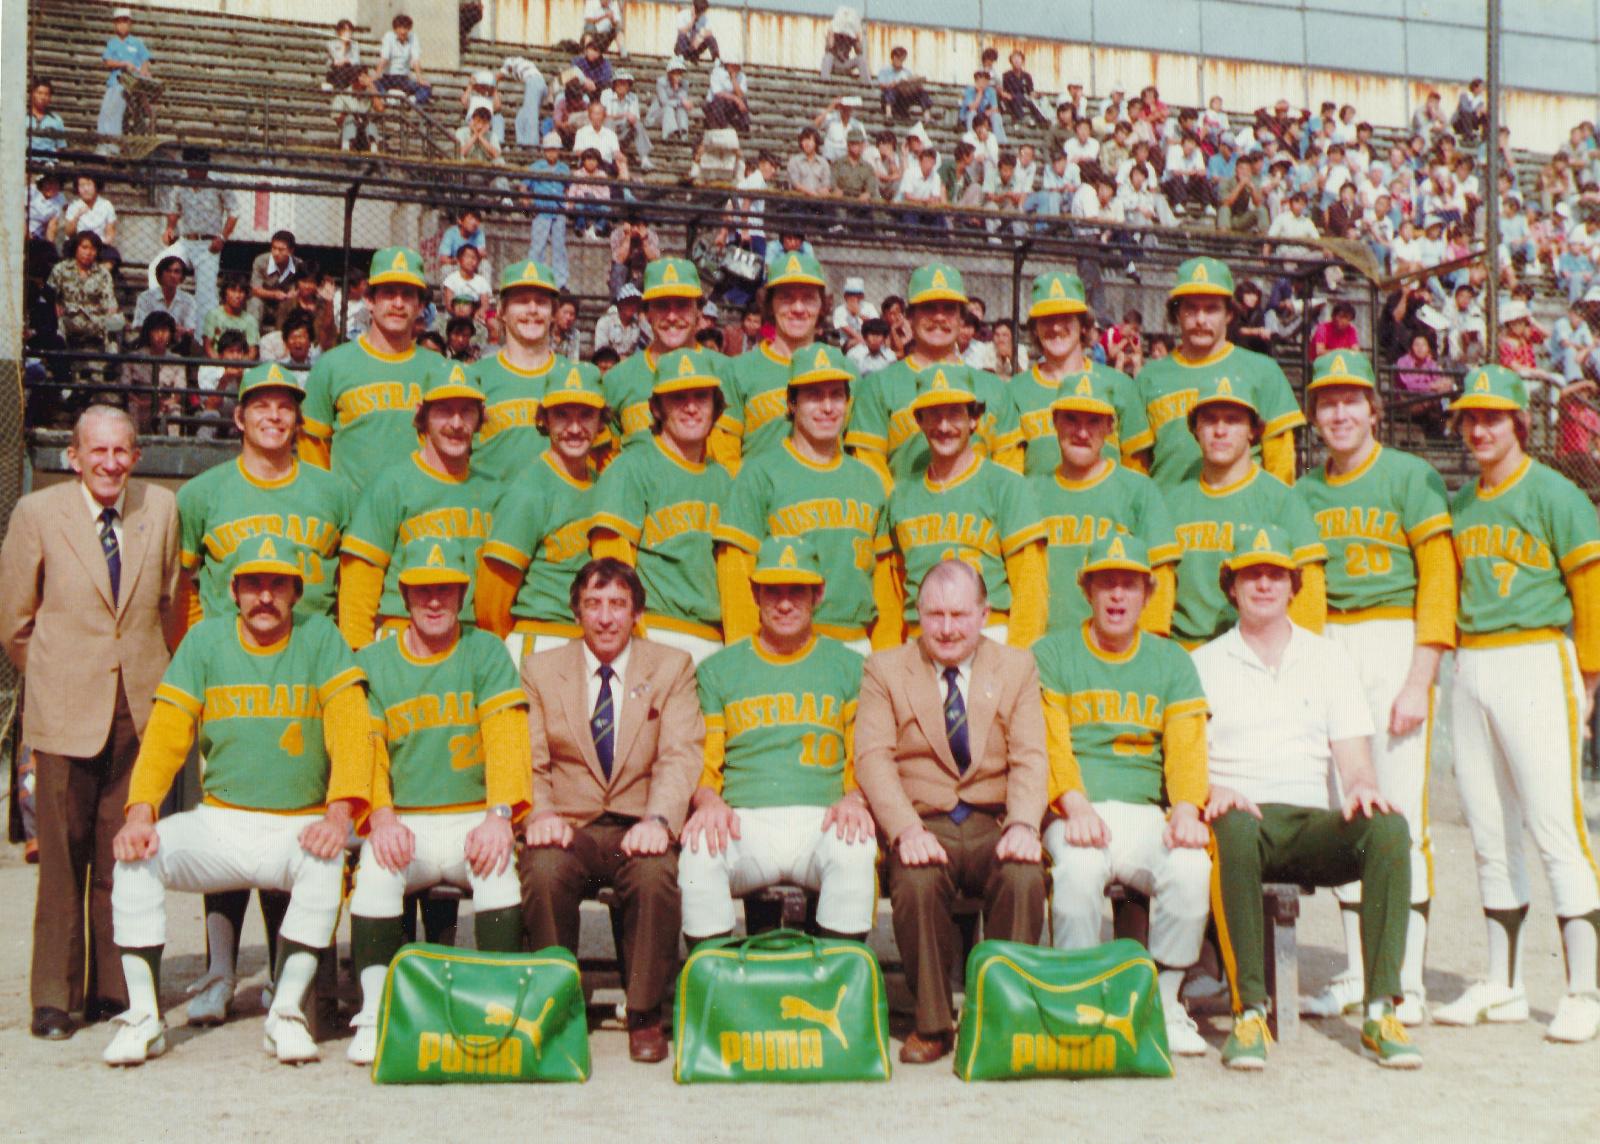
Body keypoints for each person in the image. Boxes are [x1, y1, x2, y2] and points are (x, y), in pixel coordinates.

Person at [102, 534, 370, 1066]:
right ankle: (143, 1016)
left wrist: (340, 812)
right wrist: (140, 813)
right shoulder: (205, 642)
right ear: (234, 591)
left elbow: (351, 730)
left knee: (325, 858)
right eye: (253, 584)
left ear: (296, 592)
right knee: (136, 855)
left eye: (277, 584)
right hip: (221, 821)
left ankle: (286, 1011)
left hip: (297, 824)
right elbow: (166, 733)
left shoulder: (321, 637)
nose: (265, 597)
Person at [1196, 525, 1419, 1071]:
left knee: (1389, 827)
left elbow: (1355, 760)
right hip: (1240, 817)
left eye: (1276, 575)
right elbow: (1186, 761)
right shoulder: (1202, 661)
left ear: (1294, 586)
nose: (1264, 585)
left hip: (1308, 820)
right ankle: (1250, 1013)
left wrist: (1364, 785)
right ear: (1232, 587)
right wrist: (1212, 790)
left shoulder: (1328, 657)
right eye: (1252, 575)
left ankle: (1380, 1007)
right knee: (1234, 827)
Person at [1429, 366, 1600, 1043]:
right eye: (1471, 418)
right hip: (1474, 662)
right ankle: (1502, 983)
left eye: (1494, 417)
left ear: (1520, 424)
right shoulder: (1463, 503)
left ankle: (1584, 987)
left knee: (1555, 826)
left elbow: (1588, 590)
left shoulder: (1556, 492)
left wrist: (1589, 678)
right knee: (1488, 826)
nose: (1480, 429)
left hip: (1536, 655)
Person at [0, 407, 181, 1042]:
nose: (110, 462)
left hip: (139, 706)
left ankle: (114, 987)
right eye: (97, 451)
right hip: (63, 711)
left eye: (121, 450)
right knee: (61, 857)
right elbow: (16, 622)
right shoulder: (36, 515)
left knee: (121, 855)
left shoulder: (159, 510)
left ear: (136, 455)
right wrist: (61, 673)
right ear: (74, 457)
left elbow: (166, 603)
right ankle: (54, 996)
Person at [1292, 351, 1456, 1027]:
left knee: (1401, 816)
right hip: (1330, 643)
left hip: (1392, 638)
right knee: (1347, 811)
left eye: (1351, 401)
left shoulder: (1409, 475)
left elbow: (1439, 581)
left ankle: (1406, 977)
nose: (1339, 414)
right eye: (1327, 403)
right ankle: (1360, 974)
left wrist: (1420, 677)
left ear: (1374, 409)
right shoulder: (1303, 492)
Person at [854, 559, 1049, 1063]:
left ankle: (1003, 1020)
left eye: (959, 615)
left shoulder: (1017, 667)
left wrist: (1026, 824)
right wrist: (904, 831)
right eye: (934, 614)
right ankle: (933, 1024)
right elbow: (873, 758)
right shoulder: (884, 668)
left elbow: (1031, 755)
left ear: (984, 614)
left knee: (1025, 874)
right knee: (916, 881)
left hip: (993, 821)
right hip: (925, 820)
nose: (946, 628)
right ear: (917, 612)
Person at [343, 542, 531, 1065]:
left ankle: (496, 1009)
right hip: (406, 823)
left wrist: (500, 816)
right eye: (423, 589)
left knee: (500, 873)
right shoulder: (375, 661)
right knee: (377, 870)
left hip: (474, 815)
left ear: (462, 594)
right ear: (403, 595)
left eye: (445, 589)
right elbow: (368, 751)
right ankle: (375, 1013)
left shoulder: (486, 650)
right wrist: (380, 817)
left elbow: (507, 737)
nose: (434, 601)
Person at [520, 558, 700, 1062]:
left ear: (636, 612)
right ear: (576, 611)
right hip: (569, 824)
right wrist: (540, 815)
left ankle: (643, 1013)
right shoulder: (540, 669)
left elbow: (680, 754)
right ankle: (556, 1007)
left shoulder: (671, 666)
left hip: (637, 822)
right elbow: (529, 759)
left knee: (654, 874)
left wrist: (660, 820)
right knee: (543, 868)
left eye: (618, 605)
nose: (605, 618)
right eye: (594, 605)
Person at [1036, 535, 1210, 1057]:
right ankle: (1079, 999)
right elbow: (1049, 742)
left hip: (1142, 811)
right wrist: (1073, 803)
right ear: (1086, 590)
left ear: (1147, 592)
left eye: (1129, 584)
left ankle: (1163, 998)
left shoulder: (1171, 660)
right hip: (1077, 807)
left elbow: (1185, 748)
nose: (1117, 596)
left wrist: (1185, 808)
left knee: (1191, 865)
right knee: (1078, 870)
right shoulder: (1053, 651)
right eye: (1105, 582)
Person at [682, 534, 877, 949]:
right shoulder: (719, 670)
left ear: (818, 594)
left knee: (855, 847)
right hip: (744, 820)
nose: (785, 604)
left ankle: (835, 986)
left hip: (822, 818)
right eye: (773, 591)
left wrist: (856, 797)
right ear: (754, 593)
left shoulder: (851, 666)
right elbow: (706, 758)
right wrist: (707, 800)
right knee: (699, 854)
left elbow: (864, 754)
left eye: (797, 591)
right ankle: (717, 988)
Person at [716, 345, 890, 654]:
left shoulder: (869, 480)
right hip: (785, 646)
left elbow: (884, 585)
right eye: (813, 395)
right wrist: (745, 656)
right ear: (791, 403)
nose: (827, 407)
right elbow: (736, 573)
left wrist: (886, 657)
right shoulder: (759, 472)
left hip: (857, 643)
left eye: (836, 395)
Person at [880, 366, 1046, 649]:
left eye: (955, 413)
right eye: (933, 414)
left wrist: (1017, 663)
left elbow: (1031, 587)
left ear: (974, 419)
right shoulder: (901, 497)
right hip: (920, 640)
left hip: (988, 635)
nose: (944, 426)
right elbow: (891, 595)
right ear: (919, 421)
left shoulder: (1006, 486)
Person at [339, 367, 499, 649]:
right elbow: (359, 581)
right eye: (444, 410)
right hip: (401, 634)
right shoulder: (392, 484)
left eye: (467, 411)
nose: (456, 423)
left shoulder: (494, 489)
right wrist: (358, 655)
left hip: (467, 638)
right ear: (422, 416)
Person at [591, 348, 732, 663]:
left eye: (701, 396)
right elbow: (611, 566)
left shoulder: (722, 478)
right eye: (678, 398)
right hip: (653, 633)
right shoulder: (631, 468)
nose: (691, 408)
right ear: (657, 408)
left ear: (716, 406)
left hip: (712, 638)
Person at [1165, 375, 1326, 649]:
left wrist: (1296, 658)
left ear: (1253, 430)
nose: (1220, 430)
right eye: (1210, 420)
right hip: (1184, 651)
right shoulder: (1171, 502)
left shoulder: (1282, 499)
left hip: (1255, 649)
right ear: (1195, 429)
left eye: (1232, 420)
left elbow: (1308, 587)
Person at [1031, 367, 1176, 639]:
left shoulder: (1137, 489)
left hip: (1116, 649)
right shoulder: (1032, 491)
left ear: (1110, 427)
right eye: (1071, 419)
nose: (1082, 433)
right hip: (1050, 647)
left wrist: (1151, 643)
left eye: (1094, 421)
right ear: (1055, 422)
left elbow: (1161, 575)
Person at [477, 360, 608, 661]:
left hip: (592, 643)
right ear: (544, 419)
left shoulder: (602, 485)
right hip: (540, 638)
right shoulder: (529, 490)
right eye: (562, 415)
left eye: (586, 415)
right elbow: (491, 599)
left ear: (601, 421)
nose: (574, 428)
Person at [1135, 258, 1303, 491]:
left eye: (1211, 308)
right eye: (1191, 308)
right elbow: (1136, 466)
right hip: (1168, 516)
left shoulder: (1262, 371)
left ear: (1229, 314)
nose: (1200, 319)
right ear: (1176, 313)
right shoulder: (1149, 377)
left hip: (1242, 516)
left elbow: (1280, 464)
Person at [845, 263, 1021, 484]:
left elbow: (1009, 475)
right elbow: (870, 474)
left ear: (961, 319)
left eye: (949, 308)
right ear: (910, 317)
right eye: (928, 307)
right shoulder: (878, 387)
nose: (939, 317)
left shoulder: (994, 389)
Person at [300, 247, 444, 491]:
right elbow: (312, 451)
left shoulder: (440, 369)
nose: (398, 304)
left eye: (408, 295)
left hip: (421, 518)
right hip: (353, 518)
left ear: (420, 306)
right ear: (369, 300)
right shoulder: (332, 366)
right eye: (388, 293)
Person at [1010, 272, 1151, 478]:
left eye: (1066, 318)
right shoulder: (1015, 391)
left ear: (1084, 326)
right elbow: (1011, 480)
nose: (1056, 327)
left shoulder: (1120, 385)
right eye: (1047, 319)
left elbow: (1137, 472)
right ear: (1035, 328)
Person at [600, 258, 737, 462]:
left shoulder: (728, 372)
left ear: (699, 311)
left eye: (682, 304)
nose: (672, 316)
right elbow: (606, 461)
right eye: (662, 305)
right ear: (647, 313)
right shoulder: (617, 379)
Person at [722, 251, 828, 466]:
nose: (798, 308)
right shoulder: (738, 371)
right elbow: (725, 454)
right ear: (770, 305)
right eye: (786, 298)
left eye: (808, 298)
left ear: (821, 306)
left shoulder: (844, 370)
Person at [161, 148, 238, 323]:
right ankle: (164, 322)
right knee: (157, 270)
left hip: (208, 245)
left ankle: (204, 336)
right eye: (191, 168)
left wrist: (223, 237)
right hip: (185, 242)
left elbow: (234, 212)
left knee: (206, 293)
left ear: (206, 167)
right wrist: (170, 228)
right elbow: (173, 209)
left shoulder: (219, 183)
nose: (194, 172)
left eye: (198, 168)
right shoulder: (180, 185)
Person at [97, 7, 152, 149]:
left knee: (116, 112)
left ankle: (113, 147)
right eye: (119, 22)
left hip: (131, 84)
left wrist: (143, 73)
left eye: (125, 21)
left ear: (130, 23)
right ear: (115, 24)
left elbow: (145, 60)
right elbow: (107, 62)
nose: (122, 25)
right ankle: (104, 145)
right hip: (115, 82)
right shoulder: (112, 43)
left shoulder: (137, 43)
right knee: (105, 112)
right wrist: (124, 64)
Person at [526, 132, 572, 288]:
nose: (552, 153)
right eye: (549, 149)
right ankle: (534, 277)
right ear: (544, 150)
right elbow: (524, 186)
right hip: (542, 209)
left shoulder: (564, 168)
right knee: (538, 245)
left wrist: (568, 203)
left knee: (559, 247)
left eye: (555, 149)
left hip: (558, 211)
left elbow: (568, 189)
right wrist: (527, 202)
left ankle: (561, 281)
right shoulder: (536, 167)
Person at [248, 231, 305, 329]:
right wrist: (274, 294)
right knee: (254, 303)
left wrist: (295, 293)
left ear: (291, 251)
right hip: (264, 302)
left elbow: (304, 286)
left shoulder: (299, 265)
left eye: (281, 249)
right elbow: (255, 289)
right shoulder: (261, 261)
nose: (276, 253)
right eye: (273, 248)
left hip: (287, 304)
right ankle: (252, 339)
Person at [62, 175, 120, 266]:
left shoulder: (106, 205)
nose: (85, 189)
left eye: (89, 185)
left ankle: (97, 277)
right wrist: (77, 216)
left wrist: (104, 242)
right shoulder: (74, 206)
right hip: (78, 244)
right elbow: (68, 232)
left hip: (98, 243)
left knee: (112, 257)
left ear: (96, 186)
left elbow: (110, 232)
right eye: (81, 186)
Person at [603, 71, 654, 171]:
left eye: (624, 83)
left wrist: (631, 118)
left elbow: (635, 117)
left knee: (637, 124)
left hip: (624, 129)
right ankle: (609, 155)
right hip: (608, 129)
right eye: (619, 83)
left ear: (629, 86)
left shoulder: (633, 97)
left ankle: (644, 158)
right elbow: (604, 116)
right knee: (608, 121)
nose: (621, 86)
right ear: (614, 84)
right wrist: (623, 115)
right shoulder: (606, 94)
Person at [200, 276, 260, 359]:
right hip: (216, 361)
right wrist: (220, 363)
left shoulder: (250, 320)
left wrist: (238, 365)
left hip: (241, 362)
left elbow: (252, 352)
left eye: (241, 291)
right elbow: (208, 347)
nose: (237, 296)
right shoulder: (213, 315)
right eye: (233, 291)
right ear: (225, 293)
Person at [377, 14, 431, 104]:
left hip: (403, 78)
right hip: (388, 77)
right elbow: (384, 58)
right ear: (395, 29)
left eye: (405, 28)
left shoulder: (413, 37)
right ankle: (388, 98)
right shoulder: (388, 36)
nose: (402, 31)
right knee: (374, 84)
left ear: (409, 29)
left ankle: (409, 101)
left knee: (426, 88)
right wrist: (377, 73)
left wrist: (420, 78)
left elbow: (416, 60)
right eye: (400, 28)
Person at [877, 46, 932, 122]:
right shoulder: (885, 70)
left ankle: (927, 117)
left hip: (904, 98)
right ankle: (888, 115)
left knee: (922, 92)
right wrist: (892, 84)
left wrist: (915, 85)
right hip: (890, 98)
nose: (900, 61)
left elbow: (909, 82)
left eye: (902, 59)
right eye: (898, 58)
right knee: (892, 91)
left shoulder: (906, 71)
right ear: (893, 58)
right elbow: (881, 85)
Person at [647, 56, 693, 142]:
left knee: (682, 110)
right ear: (669, 73)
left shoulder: (684, 84)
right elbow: (664, 102)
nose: (678, 76)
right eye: (675, 73)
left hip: (675, 115)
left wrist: (677, 89)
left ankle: (683, 133)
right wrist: (681, 102)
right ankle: (670, 133)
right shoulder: (661, 82)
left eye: (680, 73)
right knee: (668, 108)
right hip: (659, 114)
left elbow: (684, 100)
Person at [704, 51, 749, 134]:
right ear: (728, 65)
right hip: (713, 105)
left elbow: (741, 94)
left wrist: (733, 79)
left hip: (729, 105)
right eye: (735, 65)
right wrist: (735, 98)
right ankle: (722, 126)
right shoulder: (717, 73)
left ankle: (744, 127)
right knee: (719, 101)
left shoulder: (741, 76)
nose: (738, 68)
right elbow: (717, 93)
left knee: (744, 100)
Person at [820, 5, 867, 80]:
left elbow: (859, 52)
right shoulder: (833, 33)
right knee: (828, 57)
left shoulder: (852, 37)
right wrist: (831, 34)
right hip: (834, 64)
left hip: (845, 64)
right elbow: (829, 47)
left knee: (861, 59)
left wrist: (857, 39)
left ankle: (866, 84)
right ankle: (825, 80)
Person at [29, 77, 66, 155]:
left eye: (46, 94)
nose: (43, 97)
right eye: (39, 93)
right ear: (32, 94)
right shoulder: (23, 118)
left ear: (50, 98)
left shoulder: (56, 120)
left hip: (48, 163)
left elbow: (61, 146)